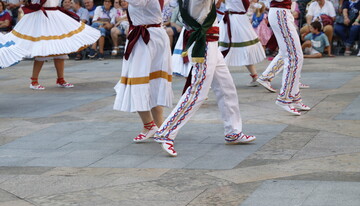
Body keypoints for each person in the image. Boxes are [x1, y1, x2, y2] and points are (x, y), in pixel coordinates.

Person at [154, 0, 256, 157]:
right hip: (204, 43)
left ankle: (233, 131)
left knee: (226, 88)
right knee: (197, 92)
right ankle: (166, 132)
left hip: (210, 41)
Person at [113, 0, 173, 145]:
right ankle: (160, 127)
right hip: (149, 36)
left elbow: (138, 3)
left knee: (138, 81)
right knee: (152, 82)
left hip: (146, 38)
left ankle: (150, 126)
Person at [5, 0, 100, 90]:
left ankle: (60, 79)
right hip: (41, 18)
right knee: (42, 50)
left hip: (55, 17)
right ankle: (34, 81)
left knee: (60, 49)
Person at [256, 0, 311, 115]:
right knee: (294, 57)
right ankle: (285, 97)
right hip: (280, 13)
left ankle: (294, 97)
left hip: (283, 13)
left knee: (294, 56)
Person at [218, 0, 266, 87]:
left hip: (235, 20)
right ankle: (254, 76)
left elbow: (217, 5)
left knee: (222, 50)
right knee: (243, 48)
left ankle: (216, 79)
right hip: (239, 20)